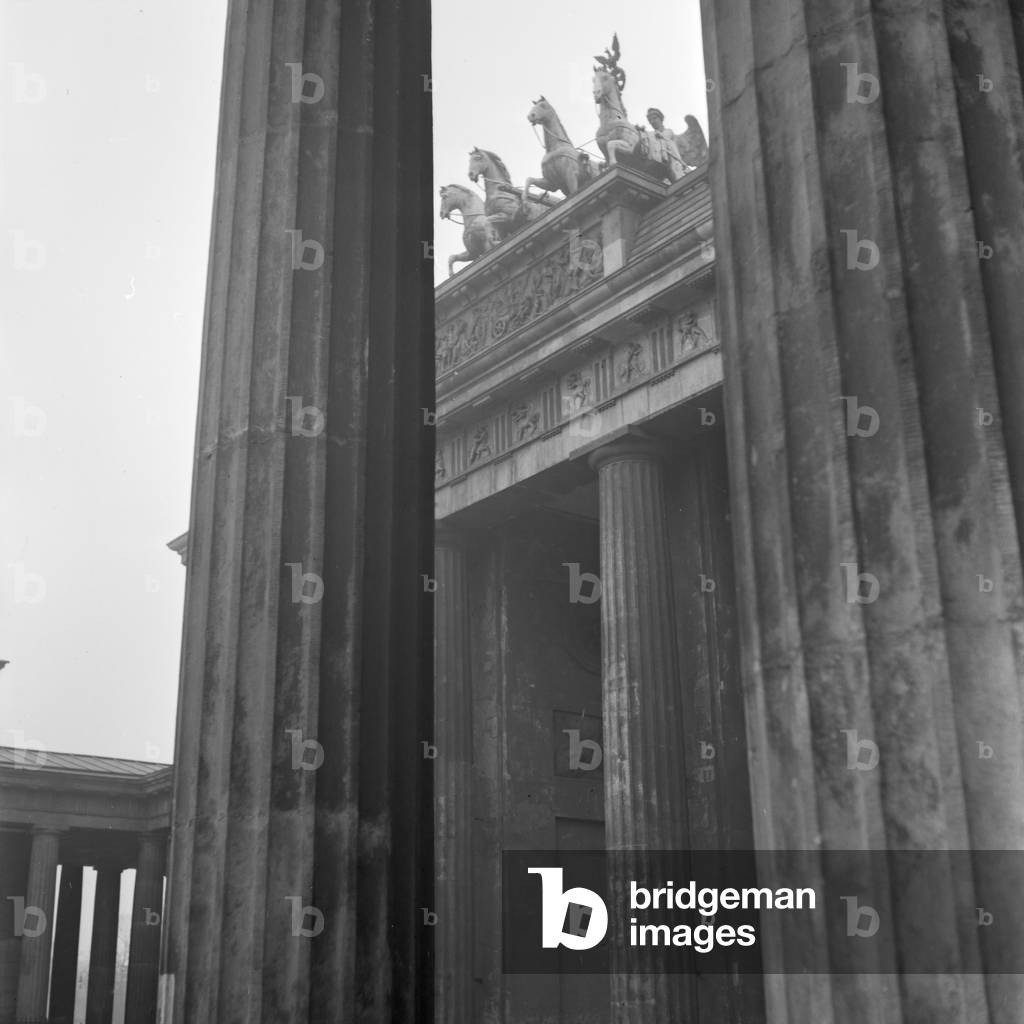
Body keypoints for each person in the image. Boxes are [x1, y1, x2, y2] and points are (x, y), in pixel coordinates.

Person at [645, 107, 685, 181]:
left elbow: (664, 136)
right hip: (662, 162)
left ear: (660, 119)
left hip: (674, 160)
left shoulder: (669, 131)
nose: (652, 122)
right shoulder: (652, 134)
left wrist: (655, 135)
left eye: (654, 118)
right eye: (650, 120)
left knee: (678, 177)